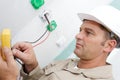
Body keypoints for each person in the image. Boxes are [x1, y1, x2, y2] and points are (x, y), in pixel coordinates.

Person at [0, 5, 120, 80]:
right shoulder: (69, 64)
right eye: (80, 30)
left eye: (88, 32)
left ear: (109, 45)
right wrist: (32, 66)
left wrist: (8, 78)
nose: (78, 36)